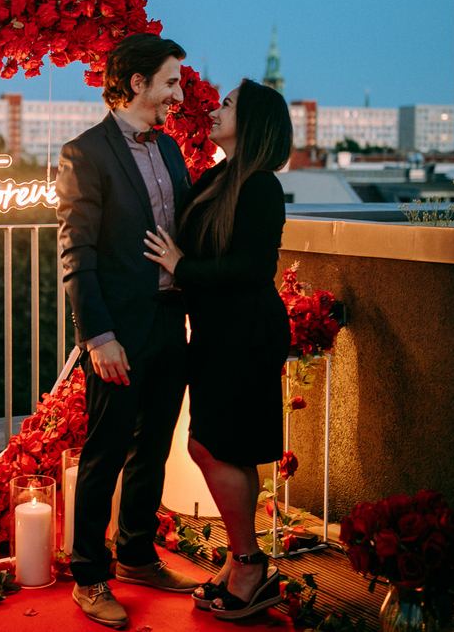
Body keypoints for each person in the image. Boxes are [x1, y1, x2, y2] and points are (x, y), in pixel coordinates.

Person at [56, 33, 200, 629]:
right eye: (170, 81)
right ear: (136, 83)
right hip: (118, 332)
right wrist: (97, 337)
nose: (178, 93)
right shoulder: (83, 152)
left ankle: (137, 554)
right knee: (105, 451)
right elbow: (76, 253)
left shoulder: (169, 150)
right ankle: (89, 576)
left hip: (172, 321)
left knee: (155, 445)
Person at [144, 78, 293, 621]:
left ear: (251, 123)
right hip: (219, 331)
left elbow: (253, 268)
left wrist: (181, 267)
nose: (214, 109)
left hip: (245, 335)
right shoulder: (220, 178)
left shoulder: (260, 187)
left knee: (210, 446)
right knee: (222, 447)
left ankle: (249, 562)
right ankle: (245, 560)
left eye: (227, 105)